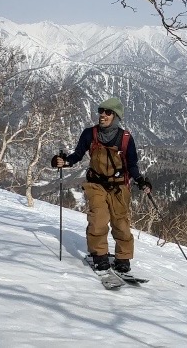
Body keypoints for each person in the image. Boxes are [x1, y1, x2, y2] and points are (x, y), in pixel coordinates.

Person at [51, 97, 152, 273]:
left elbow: (132, 164)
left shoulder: (126, 139)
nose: (102, 115)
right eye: (101, 111)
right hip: (96, 184)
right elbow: (77, 155)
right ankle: (99, 254)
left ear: (116, 116)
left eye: (108, 112)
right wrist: (64, 162)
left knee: (121, 223)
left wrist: (140, 180)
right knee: (98, 220)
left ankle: (123, 257)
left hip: (119, 186)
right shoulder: (90, 134)